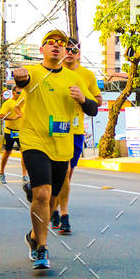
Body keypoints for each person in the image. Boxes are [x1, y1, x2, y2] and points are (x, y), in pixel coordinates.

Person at [14, 28, 99, 270]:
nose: (56, 45)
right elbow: (22, 81)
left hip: (62, 145)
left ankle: (33, 236)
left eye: (60, 43)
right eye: (50, 42)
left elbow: (93, 109)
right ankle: (42, 248)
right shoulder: (33, 72)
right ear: (42, 49)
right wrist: (19, 78)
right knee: (41, 193)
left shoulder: (74, 78)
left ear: (64, 51)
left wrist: (83, 99)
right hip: (34, 141)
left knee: (51, 200)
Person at [50, 37, 102, 235]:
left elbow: (97, 100)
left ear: (79, 53)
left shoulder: (86, 75)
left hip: (75, 130)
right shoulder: (51, 71)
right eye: (67, 49)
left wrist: (83, 98)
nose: (70, 53)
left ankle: (59, 211)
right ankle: (57, 210)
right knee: (57, 175)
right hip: (51, 129)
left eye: (74, 50)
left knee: (67, 173)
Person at [0, 86, 28, 185]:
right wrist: (13, 118)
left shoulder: (24, 102)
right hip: (10, 131)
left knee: (24, 153)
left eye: (21, 93)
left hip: (21, 132)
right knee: (7, 152)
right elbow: (1, 116)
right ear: (13, 93)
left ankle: (25, 175)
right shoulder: (8, 103)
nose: (20, 95)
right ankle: (2, 173)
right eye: (19, 93)